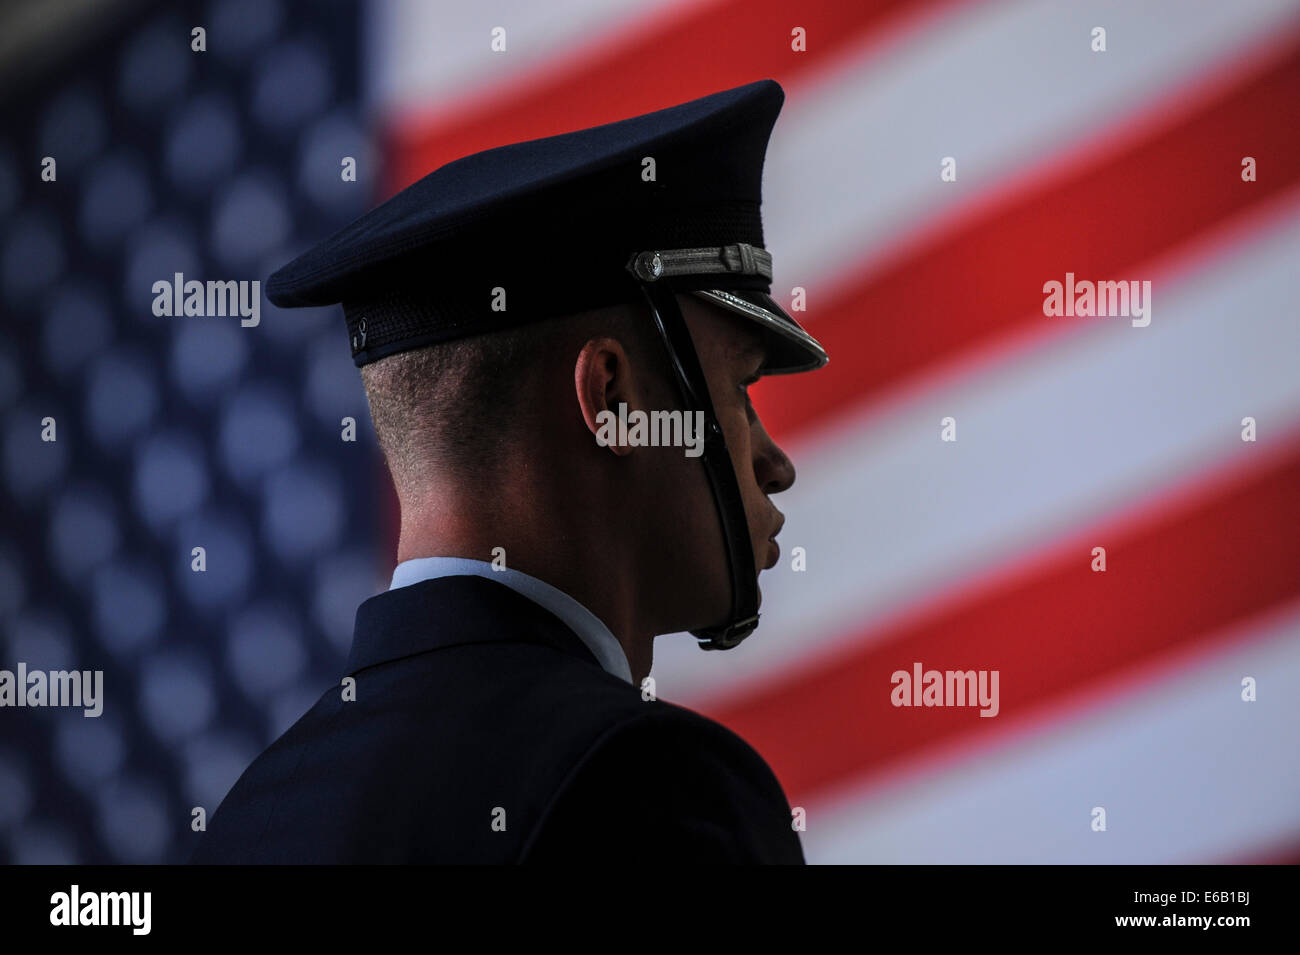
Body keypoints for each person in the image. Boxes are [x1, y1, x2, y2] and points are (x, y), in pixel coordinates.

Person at [189, 78, 828, 864]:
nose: (775, 461)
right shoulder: (647, 784)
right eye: (741, 389)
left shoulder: (252, 818)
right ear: (615, 398)